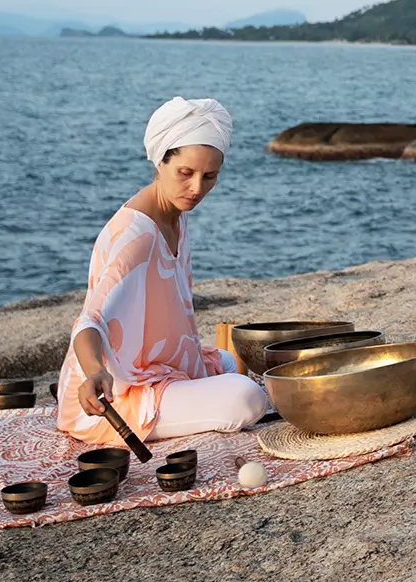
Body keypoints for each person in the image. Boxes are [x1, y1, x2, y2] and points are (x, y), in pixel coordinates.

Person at [56, 97, 271, 446]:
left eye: (209, 176)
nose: (197, 188)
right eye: (185, 173)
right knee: (246, 396)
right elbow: (88, 321)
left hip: (164, 369)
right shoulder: (137, 237)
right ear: (160, 161)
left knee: (230, 362)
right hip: (114, 398)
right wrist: (95, 371)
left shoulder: (176, 215)